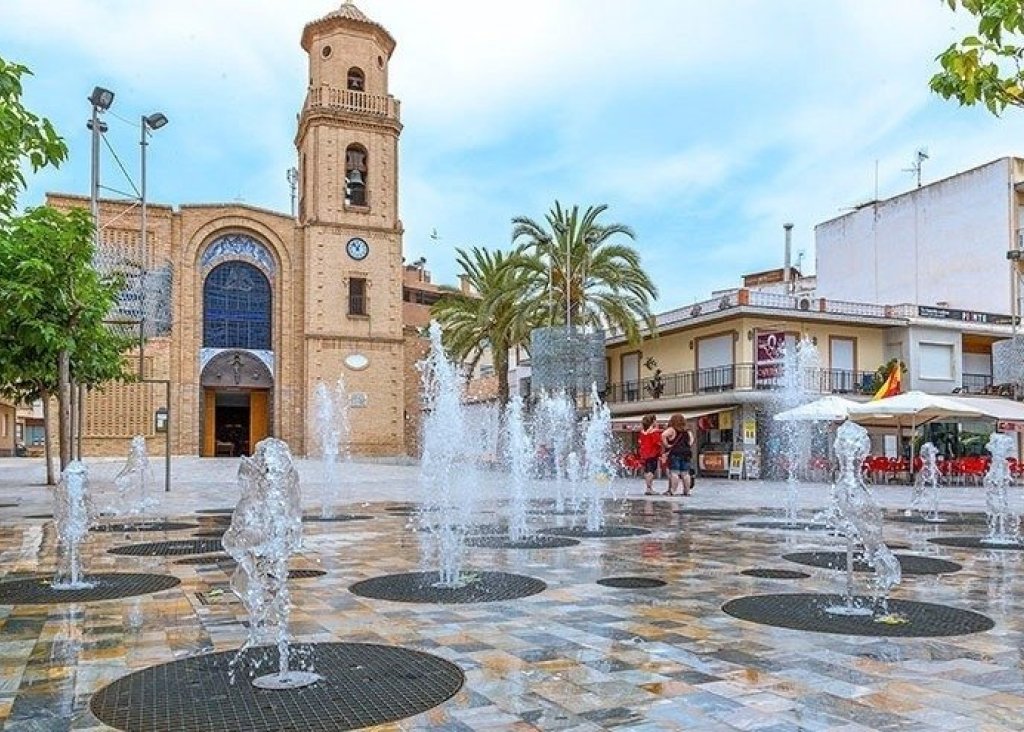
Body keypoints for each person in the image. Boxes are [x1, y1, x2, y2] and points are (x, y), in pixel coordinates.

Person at [662, 413, 695, 496]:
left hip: (675, 453)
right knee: (685, 473)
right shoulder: (687, 431)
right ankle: (687, 491)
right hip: (686, 453)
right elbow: (691, 441)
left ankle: (672, 490)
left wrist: (667, 445)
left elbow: (663, 435)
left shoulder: (672, 429)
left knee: (674, 473)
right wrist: (686, 446)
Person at [636, 413, 664, 495]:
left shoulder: (642, 432)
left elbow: (640, 442)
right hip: (652, 453)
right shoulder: (654, 432)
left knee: (647, 470)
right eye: (655, 420)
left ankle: (648, 488)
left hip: (644, 453)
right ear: (653, 422)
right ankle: (649, 488)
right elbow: (657, 443)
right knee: (651, 471)